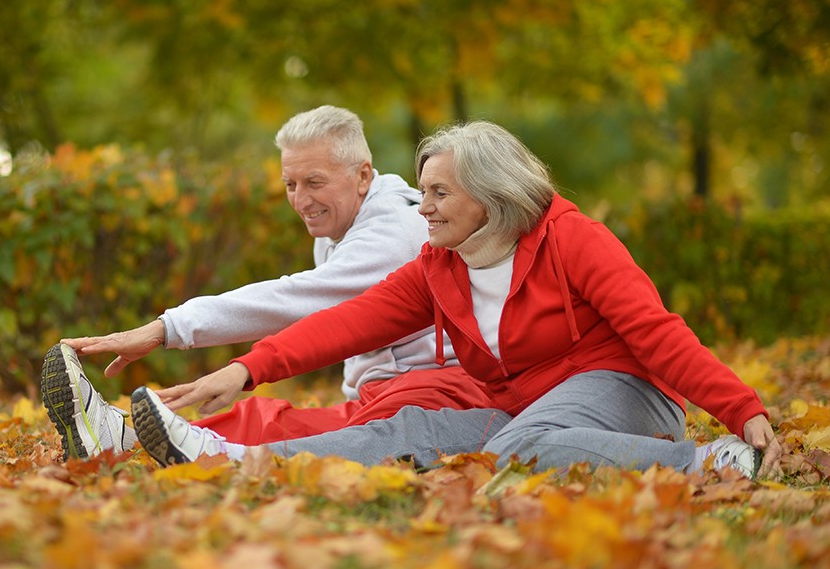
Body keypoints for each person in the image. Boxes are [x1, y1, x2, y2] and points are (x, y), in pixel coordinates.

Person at [126, 120, 782, 479]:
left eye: (439, 193)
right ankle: (237, 458)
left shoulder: (573, 240)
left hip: (624, 392)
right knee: (419, 431)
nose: (425, 208)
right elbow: (347, 324)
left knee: (522, 452)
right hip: (525, 410)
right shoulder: (439, 266)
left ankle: (707, 463)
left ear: (490, 196)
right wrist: (247, 369)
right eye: (422, 190)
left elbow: (657, 334)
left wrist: (739, 410)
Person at [40, 105, 487, 460]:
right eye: (290, 184)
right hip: (390, 392)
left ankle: (159, 446)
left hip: (440, 391)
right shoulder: (340, 226)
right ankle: (128, 439)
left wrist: (168, 329)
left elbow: (297, 299)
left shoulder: (397, 228)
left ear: (363, 175)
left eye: (314, 182)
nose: (301, 200)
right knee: (264, 416)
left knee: (326, 432)